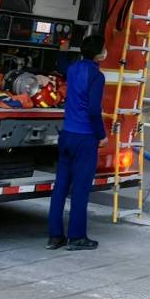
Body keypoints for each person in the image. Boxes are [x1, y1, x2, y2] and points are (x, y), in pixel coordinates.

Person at [47, 31, 108, 250]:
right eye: (104, 49)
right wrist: (102, 135)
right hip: (85, 138)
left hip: (67, 135)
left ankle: (55, 236)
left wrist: (62, 48)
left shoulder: (73, 69)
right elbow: (93, 110)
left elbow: (62, 65)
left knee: (60, 188)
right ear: (99, 55)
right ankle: (77, 237)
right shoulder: (97, 76)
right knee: (80, 189)